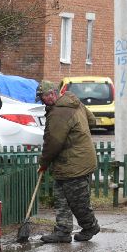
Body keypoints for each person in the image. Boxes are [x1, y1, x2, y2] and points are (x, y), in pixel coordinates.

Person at [36, 79, 100, 242]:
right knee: (62, 198)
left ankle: (90, 226)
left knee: (78, 201)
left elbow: (53, 142)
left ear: (51, 94)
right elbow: (92, 121)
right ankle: (62, 231)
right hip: (70, 161)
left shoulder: (59, 112)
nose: (42, 101)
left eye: (43, 97)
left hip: (75, 163)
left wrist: (43, 163)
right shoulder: (74, 102)